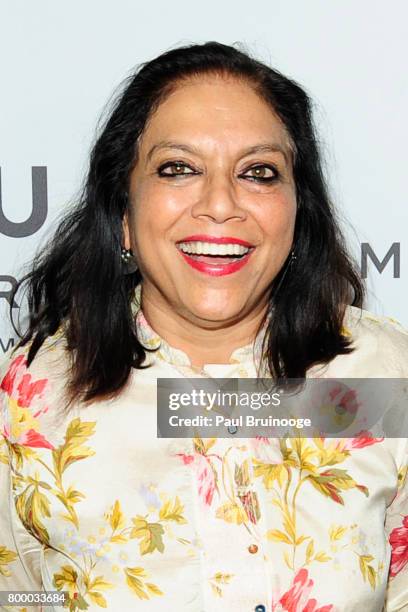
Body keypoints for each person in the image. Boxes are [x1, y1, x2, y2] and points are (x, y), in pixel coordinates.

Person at [0, 41, 407, 612]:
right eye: (179, 168)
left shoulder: (384, 373)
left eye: (259, 173)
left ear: (297, 210)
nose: (220, 204)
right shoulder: (31, 398)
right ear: (122, 214)